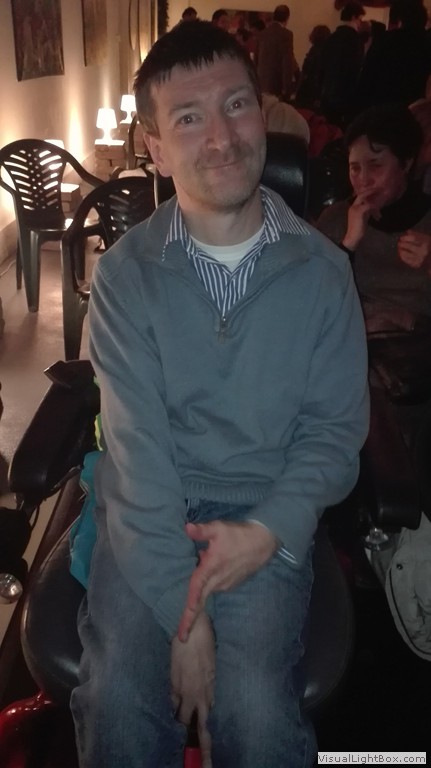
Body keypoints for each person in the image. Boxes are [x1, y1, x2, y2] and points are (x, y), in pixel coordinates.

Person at [70, 20, 369, 768]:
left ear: (262, 111)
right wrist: (187, 615)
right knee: (117, 700)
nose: (222, 137)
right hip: (152, 512)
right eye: (188, 118)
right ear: (155, 147)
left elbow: (334, 432)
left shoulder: (323, 272)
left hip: (263, 512)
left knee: (257, 714)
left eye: (235, 105)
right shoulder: (127, 278)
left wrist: (270, 528)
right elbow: (136, 459)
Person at [318, 104, 431, 334]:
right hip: (349, 341)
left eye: (375, 166)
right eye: (355, 168)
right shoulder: (336, 220)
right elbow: (312, 301)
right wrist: (348, 244)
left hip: (415, 346)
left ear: (406, 162)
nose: (364, 180)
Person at [320, 1, 365, 128]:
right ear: (354, 17)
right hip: (346, 95)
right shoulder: (355, 40)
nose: (360, 23)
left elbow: (323, 65)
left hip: (328, 92)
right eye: (360, 19)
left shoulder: (332, 38)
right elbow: (355, 69)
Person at [255, 5, 299, 100]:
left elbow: (256, 59)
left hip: (262, 83)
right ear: (287, 18)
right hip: (277, 84)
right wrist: (287, 88)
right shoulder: (286, 34)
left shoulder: (262, 33)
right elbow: (287, 62)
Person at [295, 24, 330, 110]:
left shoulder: (313, 51)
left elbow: (306, 71)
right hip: (319, 91)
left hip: (309, 89)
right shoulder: (327, 52)